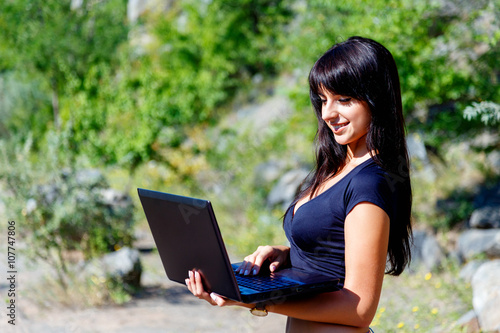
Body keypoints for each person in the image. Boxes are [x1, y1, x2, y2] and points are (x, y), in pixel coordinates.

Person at [185, 36, 413, 332]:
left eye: (344, 99)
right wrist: (289, 254)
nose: (328, 113)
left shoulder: (369, 185)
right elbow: (335, 252)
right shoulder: (339, 168)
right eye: (323, 100)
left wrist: (254, 299)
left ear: (376, 98)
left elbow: (359, 309)